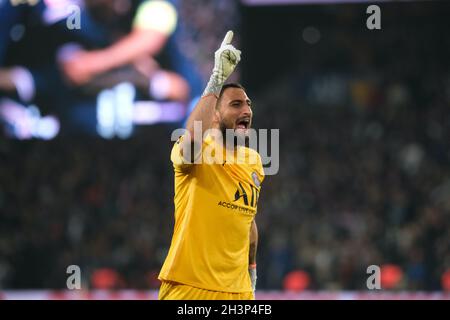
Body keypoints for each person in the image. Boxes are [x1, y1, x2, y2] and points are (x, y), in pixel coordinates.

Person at [158, 31, 265, 300]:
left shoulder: (253, 161)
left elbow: (247, 220)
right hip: (190, 287)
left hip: (239, 292)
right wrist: (216, 80)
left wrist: (251, 267)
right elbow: (193, 138)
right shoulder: (197, 151)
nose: (247, 110)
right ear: (215, 114)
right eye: (236, 104)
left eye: (249, 104)